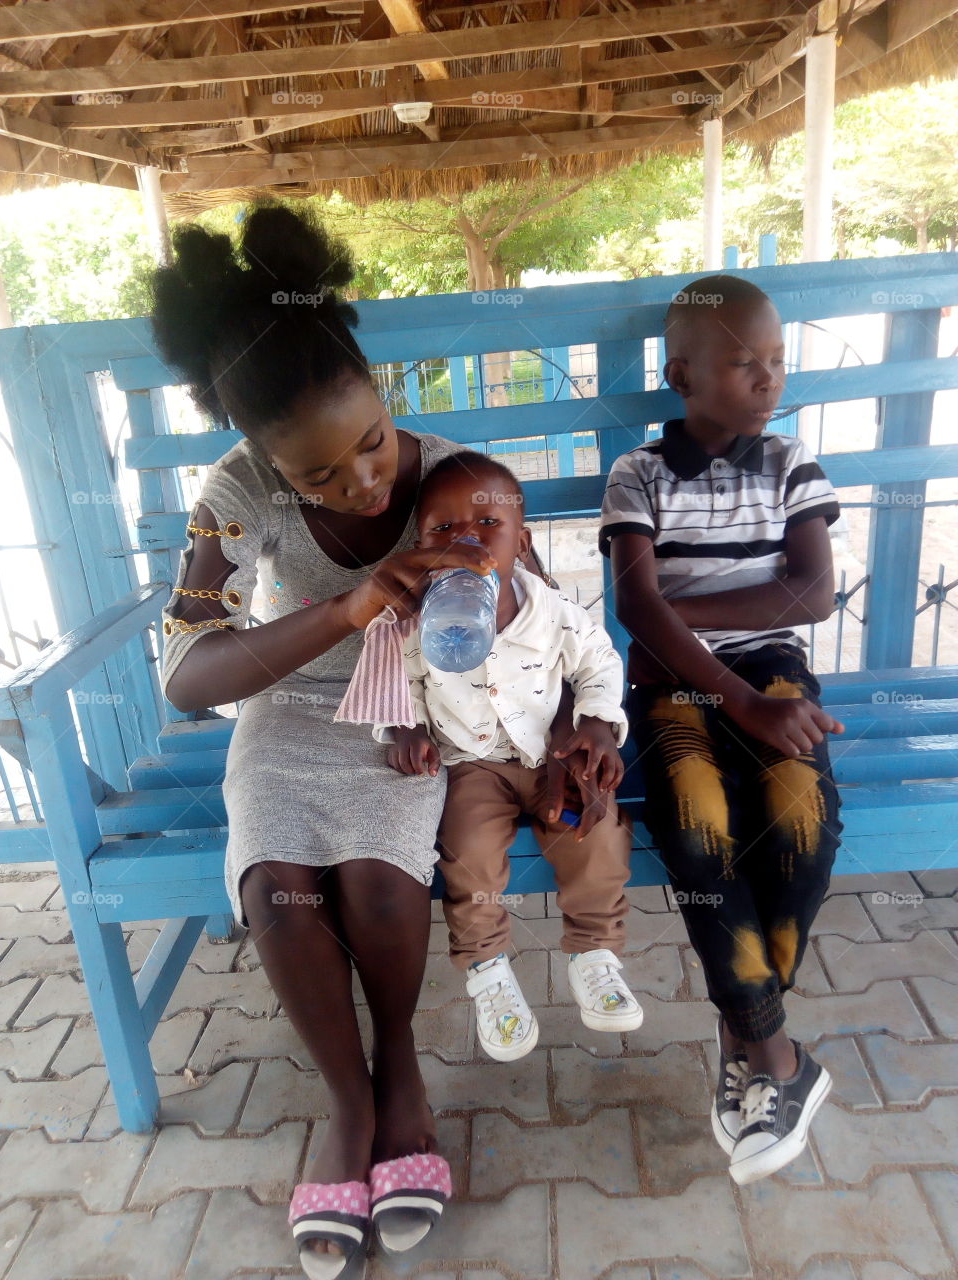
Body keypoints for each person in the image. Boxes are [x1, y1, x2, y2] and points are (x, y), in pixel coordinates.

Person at [149, 203, 566, 1279]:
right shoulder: (235, 496)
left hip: (407, 718)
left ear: (382, 392)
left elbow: (550, 616)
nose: (365, 482)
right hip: (288, 714)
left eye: (372, 442)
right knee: (278, 889)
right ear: (264, 461)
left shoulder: (453, 478)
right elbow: (191, 673)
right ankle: (346, 1105)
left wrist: (572, 724)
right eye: (320, 476)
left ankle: (403, 1078)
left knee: (381, 887)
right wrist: (341, 609)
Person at [601, 275, 845, 1185]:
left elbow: (810, 596)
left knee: (802, 828)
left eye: (778, 361)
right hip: (674, 691)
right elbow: (635, 604)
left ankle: (744, 1037)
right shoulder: (639, 475)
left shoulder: (792, 465)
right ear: (683, 375)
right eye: (746, 363)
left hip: (775, 674)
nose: (768, 379)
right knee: (701, 836)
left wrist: (683, 613)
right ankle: (779, 1059)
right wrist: (729, 690)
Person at [341, 451, 643, 1062]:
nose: (466, 542)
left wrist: (600, 728)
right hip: (473, 765)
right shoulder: (415, 624)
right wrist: (403, 732)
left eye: (487, 525)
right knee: (469, 852)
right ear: (422, 546)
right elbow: (398, 686)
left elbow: (600, 665)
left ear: (521, 543)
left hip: (554, 753)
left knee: (597, 829)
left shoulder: (554, 612)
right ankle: (488, 971)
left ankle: (594, 951)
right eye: (443, 530)